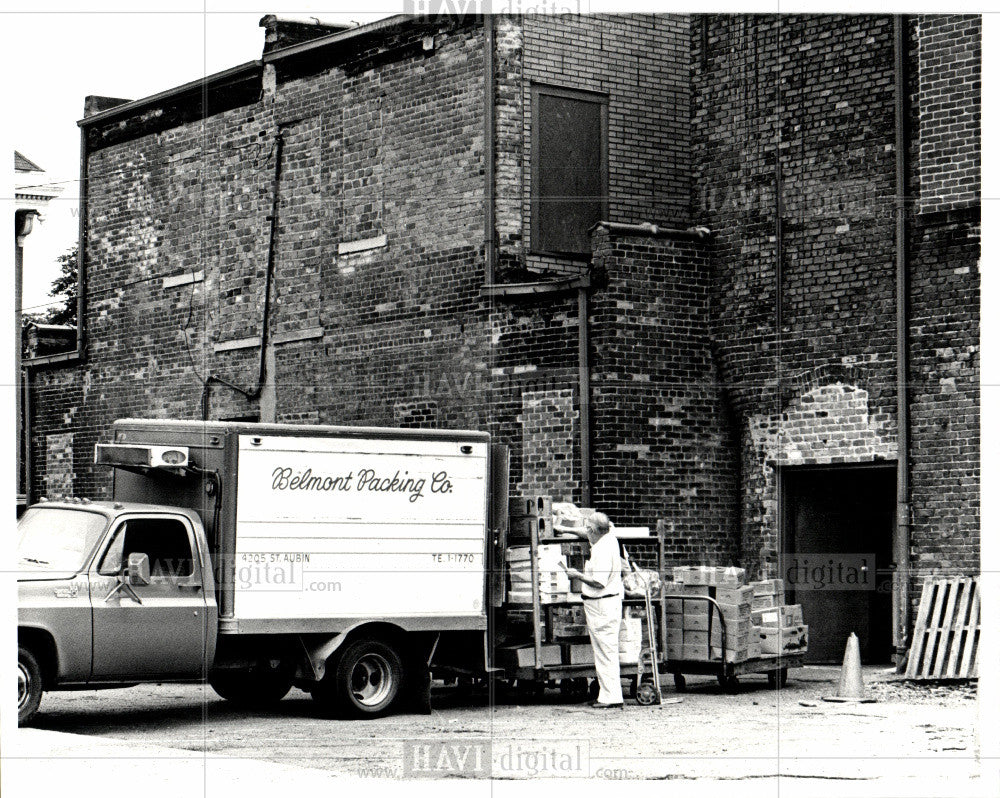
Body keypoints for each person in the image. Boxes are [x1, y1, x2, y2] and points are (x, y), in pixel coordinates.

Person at [559, 512, 624, 709]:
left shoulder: (603, 551)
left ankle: (610, 697)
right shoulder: (610, 537)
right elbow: (587, 530)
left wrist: (576, 575)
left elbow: (598, 582)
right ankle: (608, 694)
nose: (585, 530)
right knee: (606, 650)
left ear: (593, 530)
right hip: (606, 604)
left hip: (602, 605)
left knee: (605, 652)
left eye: (587, 528)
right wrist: (566, 529)